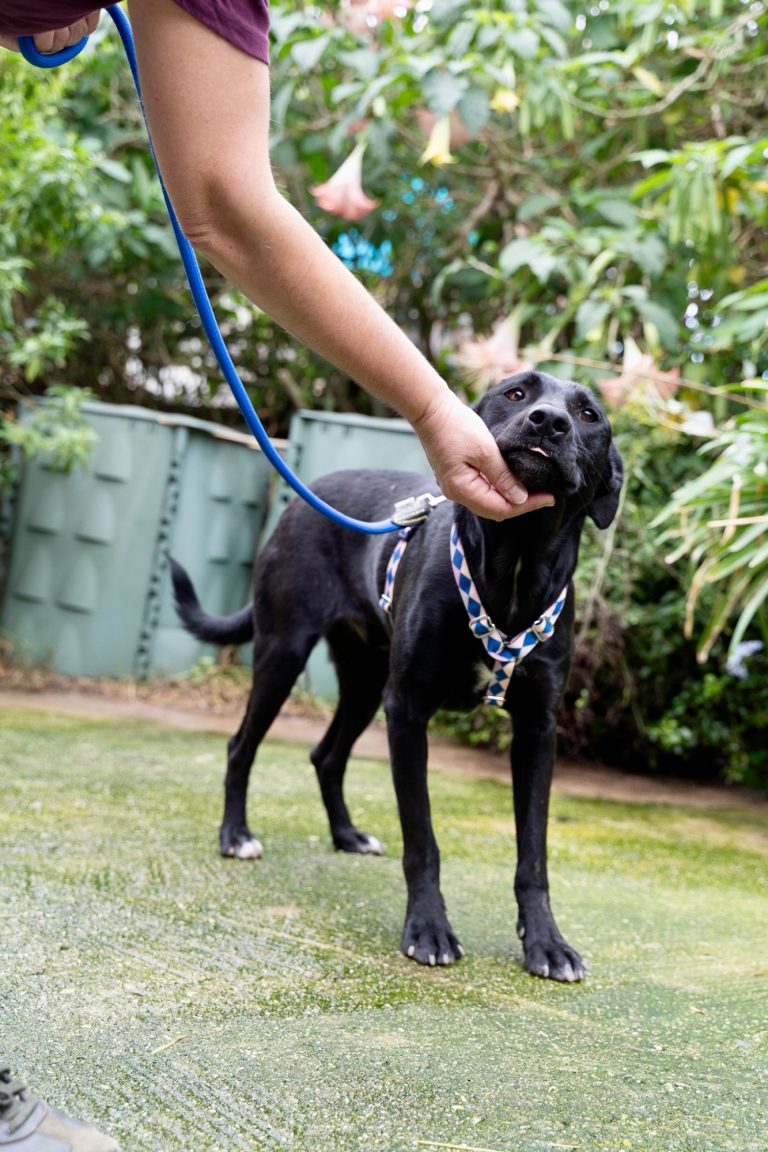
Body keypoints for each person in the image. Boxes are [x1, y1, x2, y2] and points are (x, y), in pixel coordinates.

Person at [0, 5, 554, 1147]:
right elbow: (224, 203)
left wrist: (431, 409)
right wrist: (435, 406)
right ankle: (240, 798)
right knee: (295, 681)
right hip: (330, 552)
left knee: (356, 701)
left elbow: (219, 197)